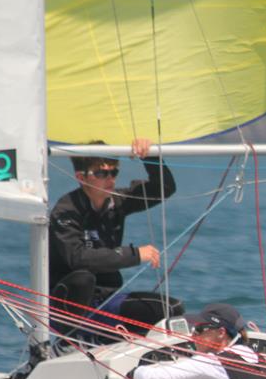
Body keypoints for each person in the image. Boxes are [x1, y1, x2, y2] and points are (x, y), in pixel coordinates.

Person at [48, 138, 182, 346]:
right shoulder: (66, 211)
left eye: (114, 172)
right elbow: (78, 258)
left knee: (171, 309)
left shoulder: (117, 202)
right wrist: (134, 254)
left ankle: (111, 342)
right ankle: (69, 343)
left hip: (105, 301)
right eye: (101, 174)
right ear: (80, 177)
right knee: (83, 278)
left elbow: (164, 188)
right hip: (66, 305)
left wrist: (150, 156)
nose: (110, 179)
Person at [128, 303, 258, 379]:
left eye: (199, 329)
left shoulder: (210, 363)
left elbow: (151, 378)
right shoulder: (258, 358)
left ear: (221, 333)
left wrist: (133, 373)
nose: (192, 336)